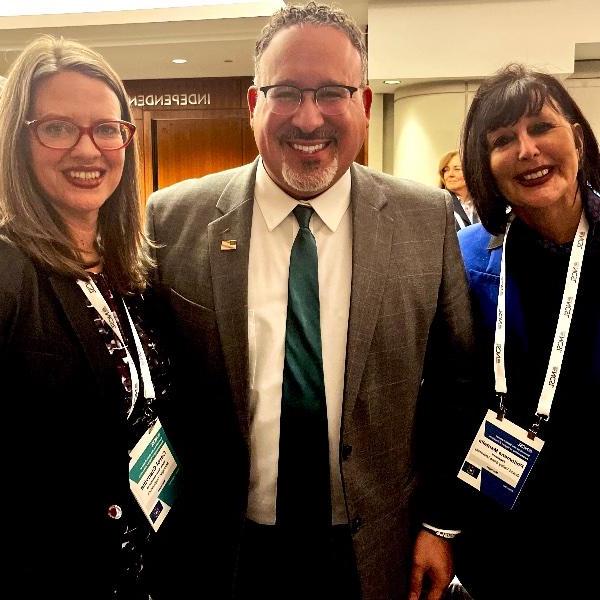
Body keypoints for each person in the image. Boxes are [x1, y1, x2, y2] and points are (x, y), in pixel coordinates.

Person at [146, 3, 474, 599]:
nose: (308, 117)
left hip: (376, 548)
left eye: (331, 92)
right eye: (286, 93)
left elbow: (457, 385)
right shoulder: (173, 219)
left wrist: (440, 522)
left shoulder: (424, 219)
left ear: (365, 105)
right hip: (223, 550)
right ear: (253, 106)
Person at [0, 36, 181, 598]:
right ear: (19, 141)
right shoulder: (9, 271)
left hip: (145, 568)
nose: (88, 150)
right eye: (57, 128)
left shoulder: (132, 269)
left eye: (106, 129)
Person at [454, 64, 600, 599]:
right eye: (502, 140)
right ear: (486, 165)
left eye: (541, 127)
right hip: (498, 528)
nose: (527, 150)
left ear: (577, 139)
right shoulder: (464, 260)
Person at [439, 150, 478, 231]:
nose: (450, 174)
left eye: (457, 169)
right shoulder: (439, 205)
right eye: (446, 170)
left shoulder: (485, 204)